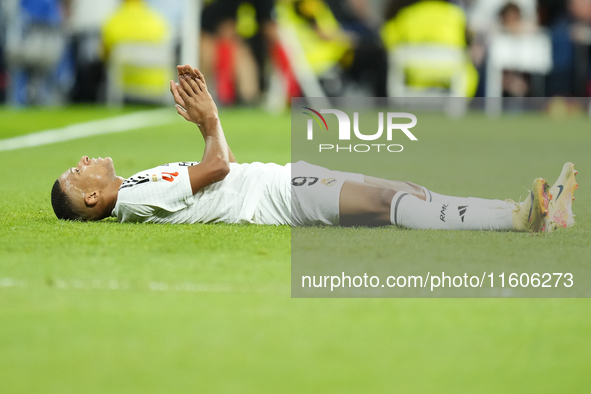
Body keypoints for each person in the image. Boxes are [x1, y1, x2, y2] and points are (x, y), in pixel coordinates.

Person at [50, 64, 578, 233]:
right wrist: (210, 120)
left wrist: (208, 127)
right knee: (387, 203)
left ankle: (532, 213)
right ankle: (519, 217)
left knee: (404, 192)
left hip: (277, 184)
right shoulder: (135, 200)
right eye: (76, 178)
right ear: (93, 200)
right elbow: (218, 168)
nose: (80, 164)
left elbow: (216, 169)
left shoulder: (136, 189)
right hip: (279, 196)